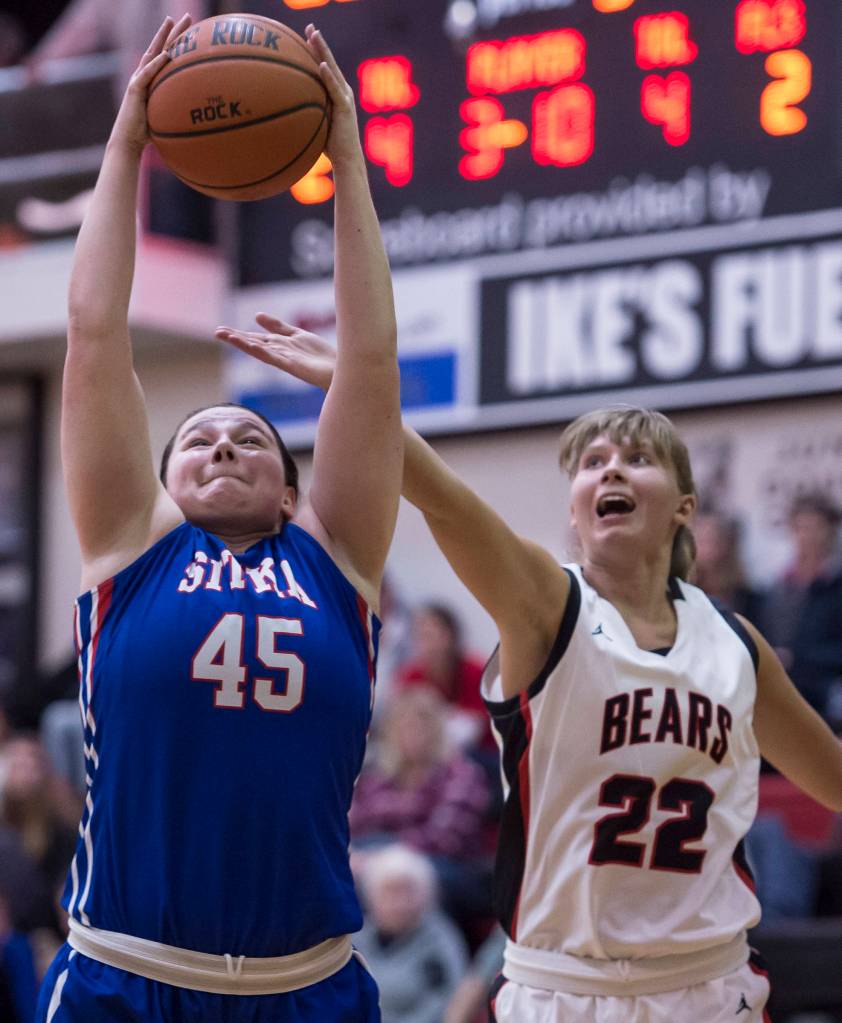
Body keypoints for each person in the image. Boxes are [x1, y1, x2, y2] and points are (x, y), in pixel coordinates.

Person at [212, 326, 842, 1022]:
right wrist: (359, 392)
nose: (612, 470)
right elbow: (448, 500)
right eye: (592, 461)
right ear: (575, 506)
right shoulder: (550, 604)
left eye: (638, 458)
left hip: (710, 983)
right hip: (563, 987)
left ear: (684, 507)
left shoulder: (735, 643)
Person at [37, 14, 402, 1023]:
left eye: (250, 439)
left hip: (307, 987)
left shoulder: (337, 560)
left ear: (292, 491)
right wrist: (126, 145)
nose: (225, 445)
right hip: (124, 976)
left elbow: (368, 368)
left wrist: (346, 155)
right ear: (163, 483)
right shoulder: (132, 545)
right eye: (197, 439)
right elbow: (93, 328)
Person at [349, 686, 493, 929]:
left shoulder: (461, 774)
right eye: (404, 727)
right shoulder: (377, 774)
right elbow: (353, 824)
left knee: (400, 879)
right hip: (374, 858)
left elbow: (445, 837)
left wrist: (383, 858)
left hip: (441, 864)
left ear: (436, 731)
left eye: (420, 726)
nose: (412, 734)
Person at [354, 844, 468, 1023]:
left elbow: (447, 997)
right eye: (390, 892)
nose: (399, 903)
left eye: (407, 891)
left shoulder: (439, 937)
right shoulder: (358, 937)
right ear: (372, 896)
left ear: (425, 894)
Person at [759, 491, 842, 727]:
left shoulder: (836, 586)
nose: (808, 536)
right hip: (780, 695)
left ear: (831, 531)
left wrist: (797, 658)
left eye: (817, 528)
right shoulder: (778, 586)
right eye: (801, 528)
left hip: (827, 697)